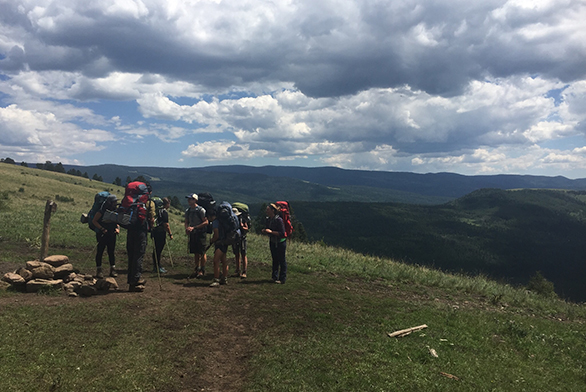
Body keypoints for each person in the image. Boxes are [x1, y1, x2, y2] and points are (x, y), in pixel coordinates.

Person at [127, 183, 155, 292]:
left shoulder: (132, 201)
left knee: (131, 255)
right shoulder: (149, 203)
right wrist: (151, 228)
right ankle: (136, 280)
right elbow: (152, 218)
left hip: (130, 230)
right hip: (141, 231)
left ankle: (130, 280)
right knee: (139, 255)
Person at [91, 194, 120, 279]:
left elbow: (117, 221)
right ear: (110, 202)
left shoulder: (115, 210)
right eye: (114, 202)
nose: (116, 203)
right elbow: (94, 221)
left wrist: (117, 228)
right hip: (102, 234)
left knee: (111, 251)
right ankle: (99, 270)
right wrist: (102, 229)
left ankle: (112, 269)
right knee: (100, 251)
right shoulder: (102, 210)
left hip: (112, 233)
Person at [262, 203, 287, 284]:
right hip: (273, 241)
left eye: (268, 210)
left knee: (281, 260)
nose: (266, 211)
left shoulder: (278, 220)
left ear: (273, 210)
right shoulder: (269, 219)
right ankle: (274, 277)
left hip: (280, 242)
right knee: (275, 259)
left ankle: (282, 278)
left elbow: (282, 233)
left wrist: (271, 232)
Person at [184, 193, 208, 278]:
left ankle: (202, 269)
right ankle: (197, 269)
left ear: (195, 200)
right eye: (188, 199)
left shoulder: (201, 210)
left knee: (202, 252)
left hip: (200, 233)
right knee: (195, 252)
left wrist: (194, 227)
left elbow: (206, 222)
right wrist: (187, 229)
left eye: (190, 199)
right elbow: (186, 221)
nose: (189, 200)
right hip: (193, 233)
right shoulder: (188, 210)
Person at [209, 209, 230, 287]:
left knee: (216, 261)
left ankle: (216, 279)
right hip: (225, 242)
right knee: (224, 260)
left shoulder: (215, 222)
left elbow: (216, 235)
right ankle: (224, 278)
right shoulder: (222, 221)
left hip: (219, 243)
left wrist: (212, 240)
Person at [151, 197, 173, 274]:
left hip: (154, 231)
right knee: (158, 250)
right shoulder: (164, 212)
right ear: (166, 204)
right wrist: (170, 234)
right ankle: (157, 266)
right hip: (161, 232)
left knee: (156, 249)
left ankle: (156, 265)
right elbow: (166, 224)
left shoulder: (157, 211)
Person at [232, 208, 250, 279]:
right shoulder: (233, 219)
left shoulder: (242, 219)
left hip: (242, 238)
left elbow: (247, 228)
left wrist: (242, 227)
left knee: (243, 254)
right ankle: (238, 270)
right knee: (237, 254)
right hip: (235, 238)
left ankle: (244, 271)